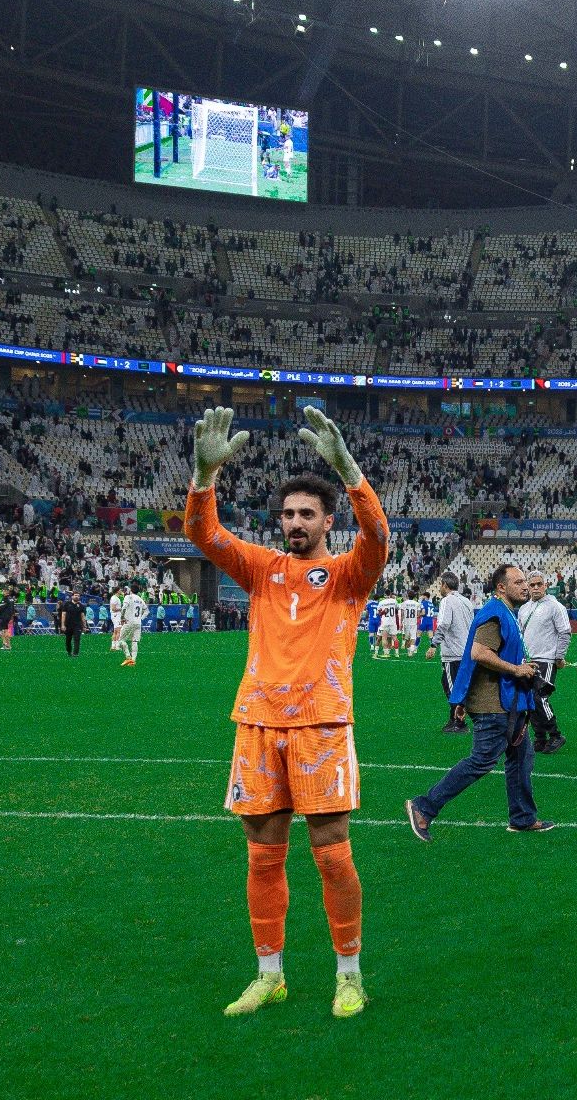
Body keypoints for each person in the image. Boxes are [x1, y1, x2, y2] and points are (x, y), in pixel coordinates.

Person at [185, 405, 387, 1019]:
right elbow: (204, 536)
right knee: (262, 855)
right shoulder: (262, 569)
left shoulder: (349, 575)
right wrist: (203, 479)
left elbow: (379, 538)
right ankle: (269, 974)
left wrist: (349, 471)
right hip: (258, 724)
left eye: (307, 514)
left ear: (328, 520)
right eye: (288, 514)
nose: (295, 523)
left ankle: (348, 973)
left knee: (332, 854)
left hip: (322, 724)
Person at [404, 563, 555, 840]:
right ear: (501, 587)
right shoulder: (494, 613)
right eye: (519, 582)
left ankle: (522, 818)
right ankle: (424, 807)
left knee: (521, 758)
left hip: (509, 703)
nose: (525, 586)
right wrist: (516, 669)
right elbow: (478, 652)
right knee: (482, 760)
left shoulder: (505, 612)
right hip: (494, 704)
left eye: (526, 582)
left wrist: (520, 666)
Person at [518, 571, 573, 753]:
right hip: (528, 661)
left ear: (545, 585)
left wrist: (559, 656)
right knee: (529, 700)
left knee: (540, 697)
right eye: (532, 584)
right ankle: (540, 738)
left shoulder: (555, 606)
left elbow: (565, 632)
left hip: (546, 660)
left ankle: (556, 735)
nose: (535, 588)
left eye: (538, 584)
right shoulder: (524, 608)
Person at [432, 574, 474, 733]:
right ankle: (453, 719)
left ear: (444, 584)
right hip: (466, 652)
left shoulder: (447, 601)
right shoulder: (466, 601)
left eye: (440, 584)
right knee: (459, 686)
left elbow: (443, 624)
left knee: (451, 687)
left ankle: (459, 722)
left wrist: (433, 644)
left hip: (453, 652)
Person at [117, 584, 150, 667]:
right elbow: (147, 611)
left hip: (129, 621)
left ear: (130, 590)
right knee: (134, 641)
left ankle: (128, 657)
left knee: (121, 640)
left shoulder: (128, 597)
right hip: (138, 623)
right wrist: (141, 618)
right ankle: (133, 661)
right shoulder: (140, 599)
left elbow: (124, 607)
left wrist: (122, 617)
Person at [57, 591, 83, 657]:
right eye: (75, 595)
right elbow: (63, 614)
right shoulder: (66, 604)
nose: (77, 596)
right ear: (72, 596)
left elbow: (82, 616)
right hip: (68, 625)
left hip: (77, 625)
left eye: (78, 595)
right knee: (68, 640)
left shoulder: (81, 606)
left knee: (77, 639)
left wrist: (84, 625)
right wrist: (62, 625)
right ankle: (69, 651)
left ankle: (75, 654)